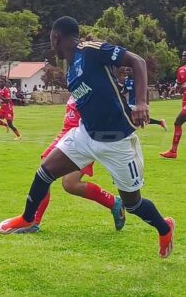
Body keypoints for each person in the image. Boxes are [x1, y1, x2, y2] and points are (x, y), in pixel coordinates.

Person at [0, 16, 175, 259]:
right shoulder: (70, 69)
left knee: (133, 204)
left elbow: (137, 61)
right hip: (85, 135)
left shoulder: (90, 50)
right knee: (44, 172)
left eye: (49, 36)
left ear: (56, 36)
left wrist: (142, 102)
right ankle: (27, 219)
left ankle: (164, 229)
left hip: (117, 140)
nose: (50, 41)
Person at [19, 95, 125, 233]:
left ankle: (113, 202)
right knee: (43, 173)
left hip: (82, 139)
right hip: (65, 134)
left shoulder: (94, 87)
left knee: (70, 184)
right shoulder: (76, 81)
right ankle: (32, 222)